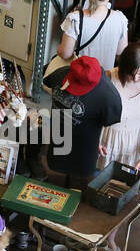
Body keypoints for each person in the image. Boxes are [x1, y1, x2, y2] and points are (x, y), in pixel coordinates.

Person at [43, 55, 121, 190]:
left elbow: (109, 122)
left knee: (76, 199)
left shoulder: (109, 97)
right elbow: (47, 82)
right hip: (55, 151)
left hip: (83, 159)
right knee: (51, 193)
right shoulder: (60, 74)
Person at [99, 42, 140, 170]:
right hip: (107, 141)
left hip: (135, 145)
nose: (135, 78)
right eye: (131, 74)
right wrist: (94, 142)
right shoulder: (109, 77)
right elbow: (96, 113)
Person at [56, 0, 129, 73]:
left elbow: (65, 54)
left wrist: (59, 50)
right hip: (104, 80)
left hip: (80, 79)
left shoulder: (76, 18)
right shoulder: (120, 19)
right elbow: (121, 52)